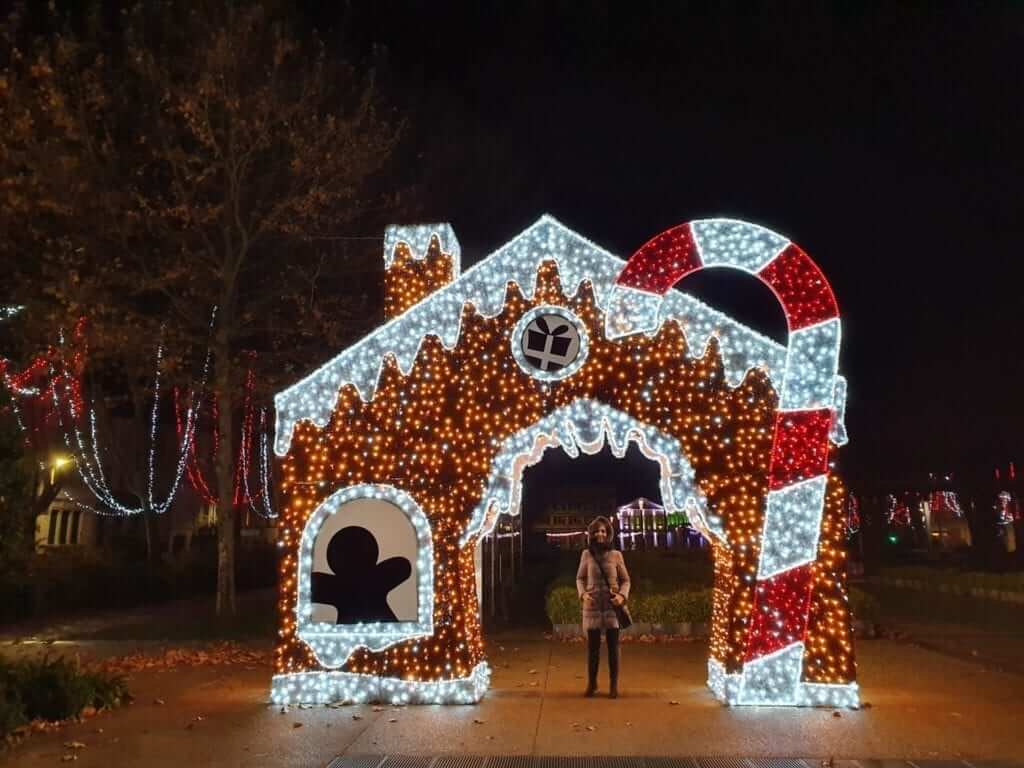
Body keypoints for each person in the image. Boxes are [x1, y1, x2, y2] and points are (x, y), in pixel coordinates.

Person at [576, 516, 631, 698]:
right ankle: (592, 684)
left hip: (612, 608)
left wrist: (622, 596)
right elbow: (580, 578)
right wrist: (583, 594)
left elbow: (626, 580)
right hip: (592, 608)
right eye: (596, 531)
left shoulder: (616, 555)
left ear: (608, 534)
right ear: (591, 535)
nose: (600, 534)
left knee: (613, 648)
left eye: (603, 531)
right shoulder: (586, 555)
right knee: (593, 649)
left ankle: (613, 686)